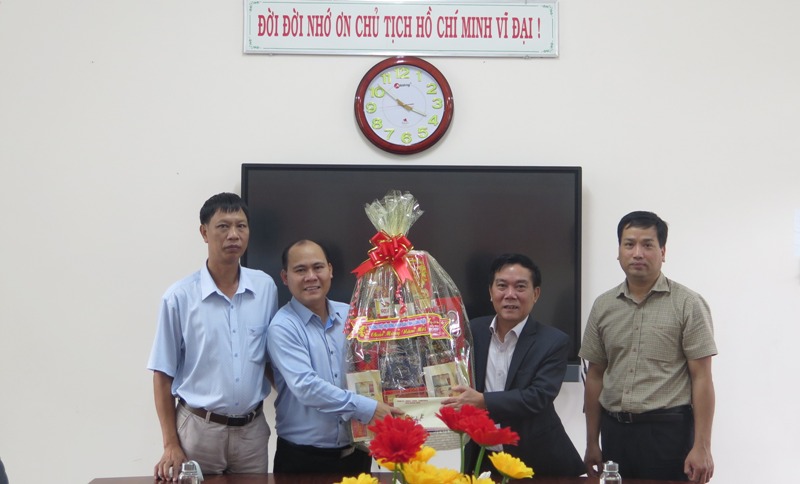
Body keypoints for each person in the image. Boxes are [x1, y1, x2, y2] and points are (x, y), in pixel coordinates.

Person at [147, 193, 278, 481]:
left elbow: (269, 359)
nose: (233, 235)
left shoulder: (265, 288)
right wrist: (170, 444)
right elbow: (162, 374)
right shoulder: (179, 297)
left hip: (252, 432)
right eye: (223, 226)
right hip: (198, 431)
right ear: (204, 232)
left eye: (241, 226)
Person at [580, 211, 717, 483]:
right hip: (615, 432)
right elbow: (595, 376)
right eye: (629, 244)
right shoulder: (603, 306)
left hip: (668, 434)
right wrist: (592, 441)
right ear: (618, 251)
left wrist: (702, 446)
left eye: (647, 245)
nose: (637, 253)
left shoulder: (688, 304)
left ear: (663, 252)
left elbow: (702, 377)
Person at [267, 240, 403, 474]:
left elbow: (376, 365)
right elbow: (307, 387)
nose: (311, 277)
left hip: (357, 453)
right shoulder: (283, 327)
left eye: (318, 267)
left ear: (330, 270)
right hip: (303, 461)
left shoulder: (352, 315)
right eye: (300, 270)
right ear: (285, 277)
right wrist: (368, 408)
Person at [443, 253, 585, 477]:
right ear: (490, 292)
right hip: (482, 457)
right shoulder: (472, 331)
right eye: (502, 286)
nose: (510, 295)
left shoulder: (554, 341)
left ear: (535, 294)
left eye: (520, 287)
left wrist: (483, 400)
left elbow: (538, 396)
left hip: (536, 460)